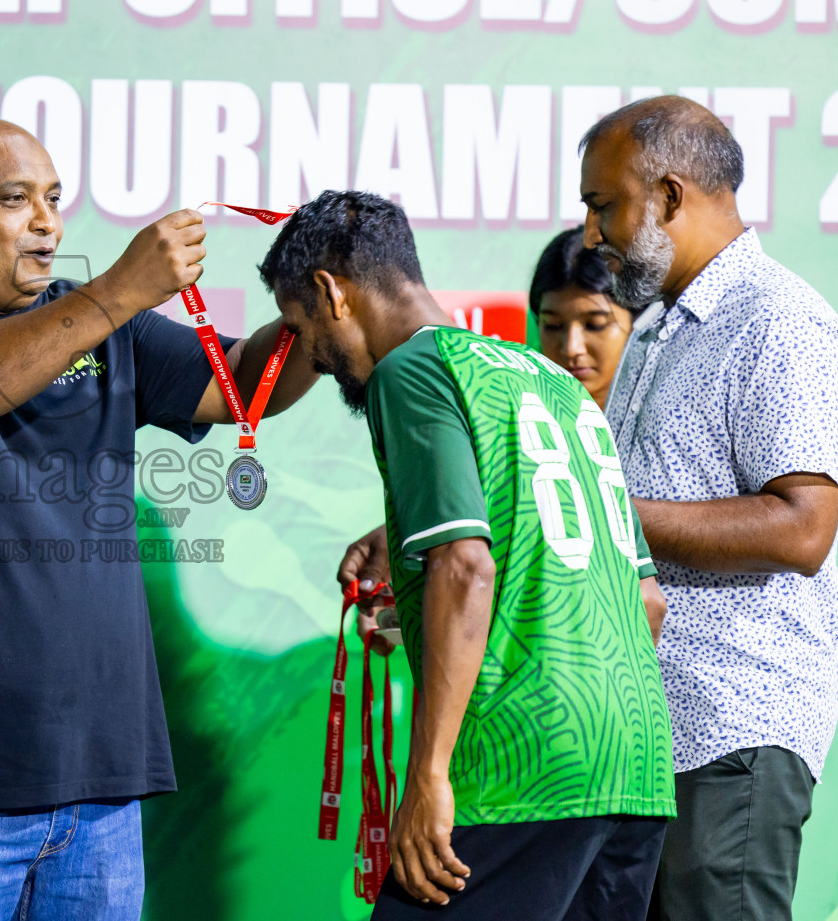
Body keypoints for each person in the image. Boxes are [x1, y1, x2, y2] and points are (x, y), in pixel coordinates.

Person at [0, 118, 317, 919]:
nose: (47, 221)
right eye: (15, 199)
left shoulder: (99, 326)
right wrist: (120, 289)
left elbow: (243, 383)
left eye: (53, 199)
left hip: (101, 785)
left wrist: (315, 298)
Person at [261, 190, 675, 920]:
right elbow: (645, 602)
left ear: (330, 292)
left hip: (521, 764)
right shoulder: (558, 386)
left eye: (299, 328)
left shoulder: (410, 372)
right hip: (636, 764)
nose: (313, 358)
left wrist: (428, 775)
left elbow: (465, 565)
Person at [577, 95, 838, 921]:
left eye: (601, 205)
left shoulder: (779, 321)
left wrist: (602, 507)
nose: (591, 234)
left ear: (668, 197)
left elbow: (805, 527)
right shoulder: (660, 327)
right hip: (647, 741)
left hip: (731, 730)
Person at [529, 226, 636, 407]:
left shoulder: (670, 420)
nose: (571, 348)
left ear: (639, 323)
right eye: (552, 325)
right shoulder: (515, 422)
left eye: (595, 325)